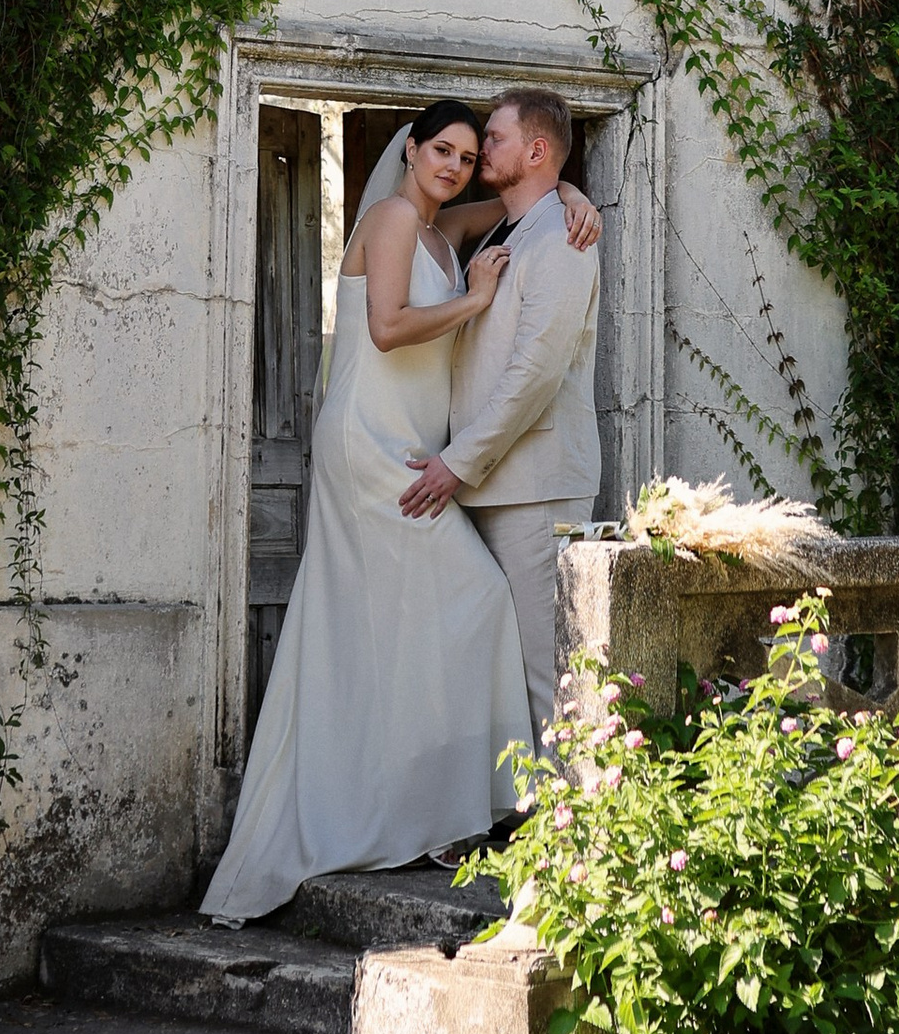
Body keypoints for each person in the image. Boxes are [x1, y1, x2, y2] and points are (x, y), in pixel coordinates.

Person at [201, 98, 594, 922]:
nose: (456, 165)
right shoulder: (385, 218)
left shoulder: (446, 232)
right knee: (476, 596)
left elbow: (527, 199)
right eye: (442, 151)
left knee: (422, 616)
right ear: (409, 152)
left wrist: (568, 196)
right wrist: (474, 302)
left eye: (467, 153)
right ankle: (441, 809)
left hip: (414, 446)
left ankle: (425, 805)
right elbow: (384, 329)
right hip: (371, 441)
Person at [399, 88, 600, 751]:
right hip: (489, 484)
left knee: (549, 672)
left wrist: (455, 463)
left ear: (536, 150)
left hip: (536, 487)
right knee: (498, 670)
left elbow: (534, 376)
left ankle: (572, 839)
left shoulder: (565, 240)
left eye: (496, 137)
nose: (481, 149)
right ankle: (522, 826)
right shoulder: (500, 228)